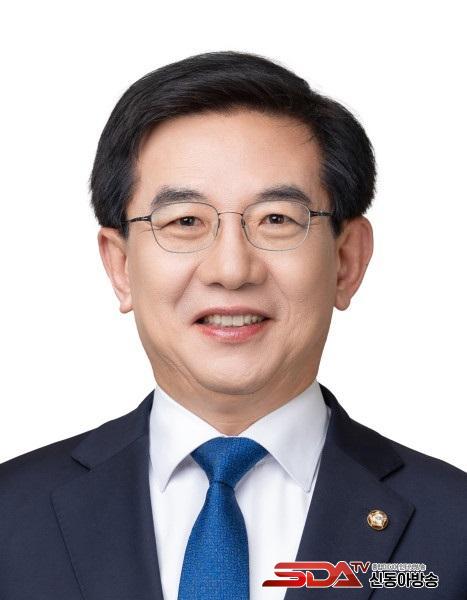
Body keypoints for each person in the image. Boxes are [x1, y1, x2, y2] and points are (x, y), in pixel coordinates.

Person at [0, 51, 466, 600]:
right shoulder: (12, 517)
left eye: (276, 219)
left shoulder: (454, 528)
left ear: (346, 261)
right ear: (121, 266)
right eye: (185, 221)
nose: (231, 269)